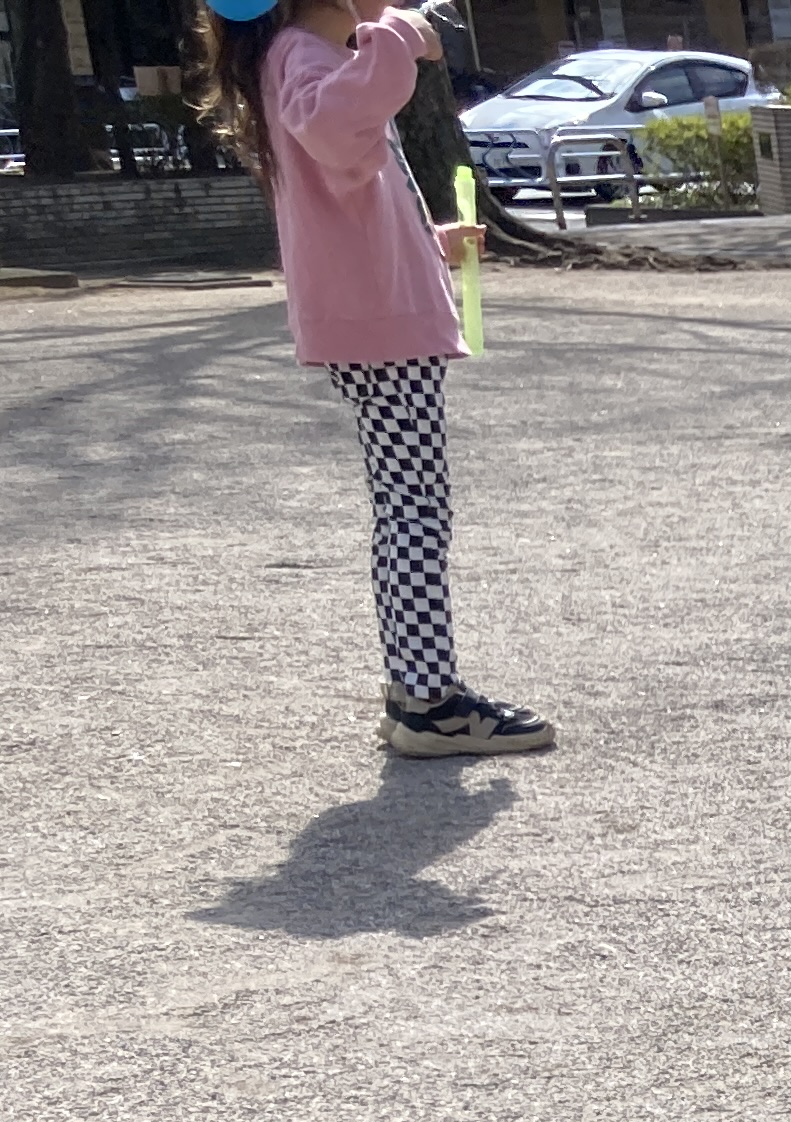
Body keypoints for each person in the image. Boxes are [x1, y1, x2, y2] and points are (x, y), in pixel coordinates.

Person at [195, 0, 551, 757]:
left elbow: (346, 188)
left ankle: (414, 691)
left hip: (374, 320)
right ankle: (429, 701)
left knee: (406, 509)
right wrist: (400, 39)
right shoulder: (305, 56)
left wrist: (428, 242)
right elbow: (336, 132)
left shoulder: (299, 59)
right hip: (382, 329)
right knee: (416, 513)